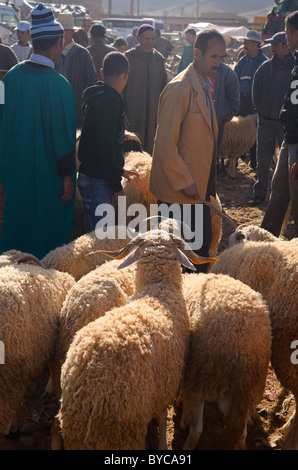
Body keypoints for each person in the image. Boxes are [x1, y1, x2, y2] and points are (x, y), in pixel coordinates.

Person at [0, 3, 77, 259]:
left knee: (16, 226)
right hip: (48, 179)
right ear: (57, 43)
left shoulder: (8, 79)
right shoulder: (61, 86)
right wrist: (67, 176)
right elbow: (64, 138)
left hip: (13, 173)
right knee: (46, 235)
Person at [150, 28, 226, 273]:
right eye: (213, 57)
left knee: (200, 254)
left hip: (197, 191)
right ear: (197, 53)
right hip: (179, 194)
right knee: (178, 263)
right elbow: (164, 143)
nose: (218, 63)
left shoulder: (203, 84)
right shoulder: (180, 88)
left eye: (221, 58)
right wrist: (185, 181)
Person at [77, 51, 139, 232]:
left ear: (102, 72)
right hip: (99, 181)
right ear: (126, 75)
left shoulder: (96, 97)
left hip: (91, 175)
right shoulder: (110, 102)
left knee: (96, 234)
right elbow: (105, 147)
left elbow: (99, 142)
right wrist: (116, 186)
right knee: (101, 238)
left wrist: (119, 170)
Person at [261, 11, 298, 237]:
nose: (285, 38)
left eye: (287, 32)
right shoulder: (296, 59)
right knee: (280, 188)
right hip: (290, 135)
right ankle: (266, 239)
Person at [249, 31, 294, 206]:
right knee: (263, 161)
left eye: (275, 45)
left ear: (285, 46)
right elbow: (256, 90)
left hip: (287, 125)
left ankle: (286, 199)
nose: (272, 48)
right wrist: (261, 110)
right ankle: (259, 193)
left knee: (288, 164)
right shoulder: (265, 68)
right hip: (266, 122)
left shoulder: (295, 69)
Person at [123, 24, 167, 154]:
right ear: (138, 38)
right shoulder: (128, 58)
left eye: (153, 39)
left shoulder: (159, 60)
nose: (150, 42)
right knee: (131, 148)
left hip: (153, 115)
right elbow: (120, 88)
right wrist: (123, 112)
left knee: (150, 149)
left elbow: (164, 89)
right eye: (147, 39)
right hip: (133, 113)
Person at [55, 13, 97, 129]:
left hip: (77, 114)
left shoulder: (82, 53)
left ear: (72, 32)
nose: (63, 33)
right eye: (60, 30)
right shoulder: (51, 52)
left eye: (66, 30)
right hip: (54, 113)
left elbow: (92, 83)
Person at [234, 30, 268, 170]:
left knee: (254, 133)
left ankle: (254, 164)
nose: (245, 46)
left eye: (247, 43)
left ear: (255, 44)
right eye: (244, 43)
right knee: (238, 131)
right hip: (243, 100)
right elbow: (234, 76)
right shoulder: (243, 60)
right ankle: (234, 160)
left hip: (256, 102)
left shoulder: (264, 62)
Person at [211, 61, 240, 171]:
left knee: (213, 153)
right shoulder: (198, 71)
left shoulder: (227, 73)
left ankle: (210, 183)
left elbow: (234, 100)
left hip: (217, 122)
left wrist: (224, 118)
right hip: (197, 122)